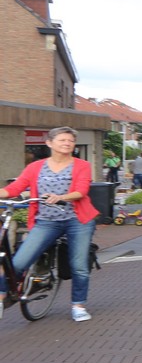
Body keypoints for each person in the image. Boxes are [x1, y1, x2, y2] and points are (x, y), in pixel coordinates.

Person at [0, 127, 99, 322]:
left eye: (70, 140)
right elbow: (15, 188)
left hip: (77, 220)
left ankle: (78, 305)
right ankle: (3, 297)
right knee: (18, 263)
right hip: (46, 221)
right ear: (49, 143)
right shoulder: (35, 167)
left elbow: (81, 191)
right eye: (62, 140)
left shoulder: (82, 165)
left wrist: (61, 197)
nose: (67, 143)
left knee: (78, 265)